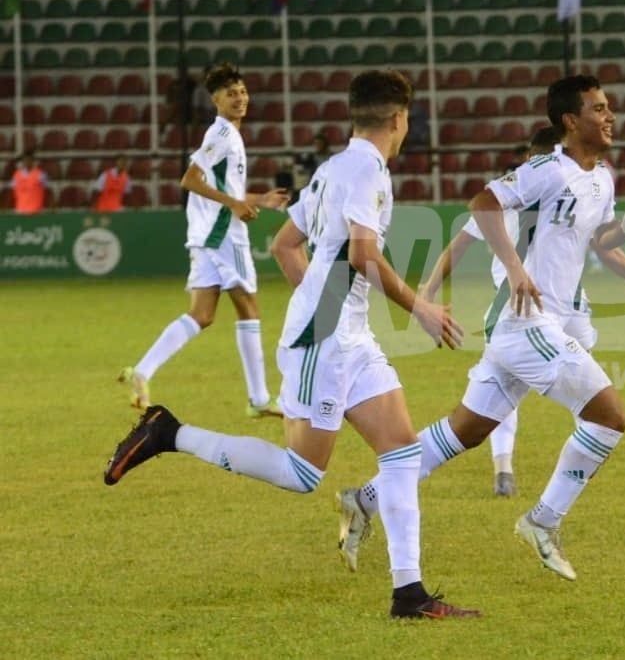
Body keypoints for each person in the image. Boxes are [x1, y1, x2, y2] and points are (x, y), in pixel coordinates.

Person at [103, 69, 479, 620]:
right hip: (324, 335)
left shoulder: (333, 168)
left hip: (345, 331)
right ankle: (169, 432)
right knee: (303, 474)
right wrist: (417, 308)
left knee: (401, 453)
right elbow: (363, 255)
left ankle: (410, 595)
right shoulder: (367, 171)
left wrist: (323, 302)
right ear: (399, 119)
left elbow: (285, 245)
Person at [335, 75, 625, 583]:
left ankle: (364, 499)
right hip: (527, 322)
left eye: (608, 106)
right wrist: (514, 268)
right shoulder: (546, 168)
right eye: (598, 108)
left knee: (465, 431)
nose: (609, 115)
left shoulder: (602, 178)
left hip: (532, 326)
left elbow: (598, 241)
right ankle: (542, 521)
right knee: (609, 416)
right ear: (571, 121)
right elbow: (482, 204)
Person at [417, 125, 625, 497]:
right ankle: (521, 482)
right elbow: (465, 235)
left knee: (481, 416)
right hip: (524, 314)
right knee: (601, 410)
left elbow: (603, 244)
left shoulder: (571, 192)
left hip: (567, 310)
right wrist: (428, 292)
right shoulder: (513, 197)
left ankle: (371, 493)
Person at [119, 62, 289, 418]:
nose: (240, 98)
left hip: (206, 233)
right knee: (249, 308)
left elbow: (223, 188)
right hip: (223, 233)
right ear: (215, 100)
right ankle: (259, 399)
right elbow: (190, 180)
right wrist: (235, 204)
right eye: (231, 94)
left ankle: (142, 371)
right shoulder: (222, 134)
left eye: (242, 92)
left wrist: (258, 199)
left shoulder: (227, 135)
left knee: (202, 314)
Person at [10, 150, 51, 215]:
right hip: (20, 210)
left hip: (36, 211)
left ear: (33, 161)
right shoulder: (16, 175)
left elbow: (47, 191)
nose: (27, 162)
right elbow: (13, 192)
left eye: (29, 160)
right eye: (25, 160)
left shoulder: (41, 175)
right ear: (22, 162)